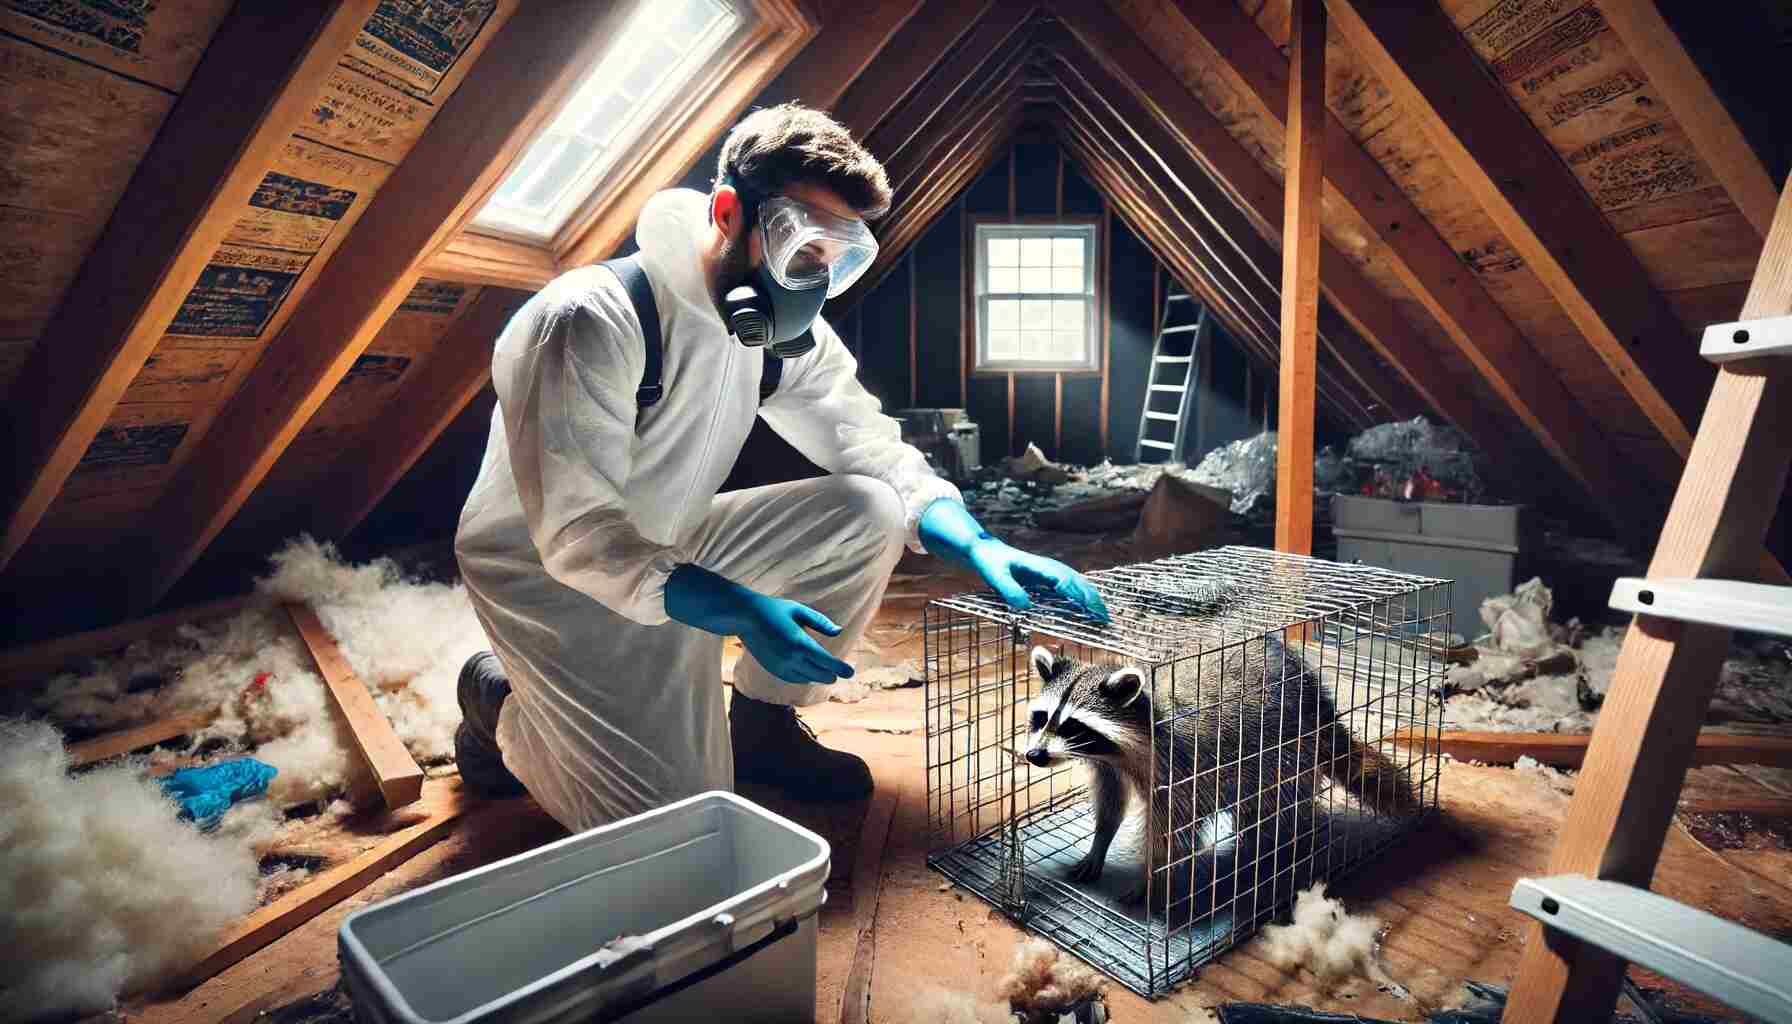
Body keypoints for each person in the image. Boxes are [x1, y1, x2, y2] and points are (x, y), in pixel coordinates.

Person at [453, 103, 1108, 833]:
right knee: (678, 833)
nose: (812, 282)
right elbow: (578, 533)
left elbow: (867, 444)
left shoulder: (773, 333)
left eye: (834, 260)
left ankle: (761, 730)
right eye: (802, 248)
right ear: (729, 213)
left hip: (673, 537)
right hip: (551, 575)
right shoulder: (587, 321)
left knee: (869, 508)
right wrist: (735, 608)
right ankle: (496, 703)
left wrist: (977, 543)